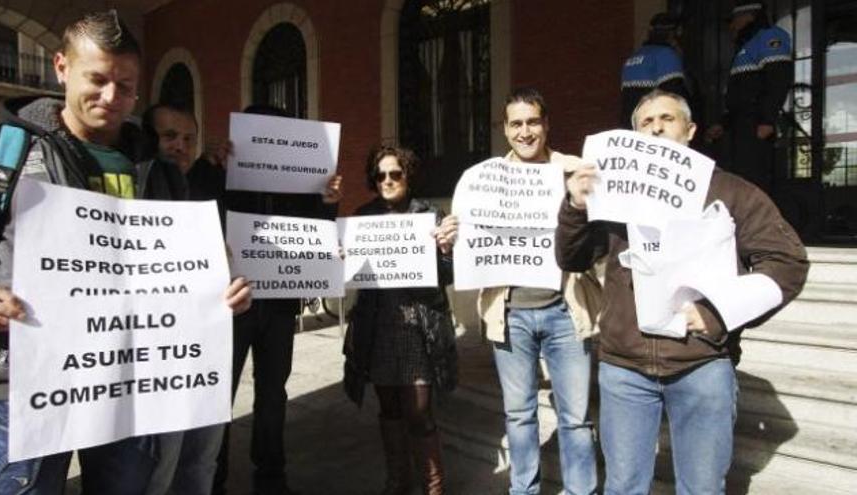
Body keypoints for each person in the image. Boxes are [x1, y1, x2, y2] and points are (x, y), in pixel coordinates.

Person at [0, 11, 251, 495]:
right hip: (35, 384)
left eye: (125, 86)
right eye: (97, 79)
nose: (111, 97)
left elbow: (186, 267)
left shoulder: (160, 169)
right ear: (61, 67)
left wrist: (219, 291)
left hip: (134, 388)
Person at [558, 89, 809, 494]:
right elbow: (571, 259)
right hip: (624, 369)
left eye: (667, 119)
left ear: (690, 130)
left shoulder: (733, 192)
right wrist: (575, 206)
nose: (656, 127)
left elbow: (788, 264)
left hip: (701, 364)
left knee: (702, 489)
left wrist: (718, 313)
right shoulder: (613, 194)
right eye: (645, 122)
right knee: (622, 487)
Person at [435, 87, 601, 495]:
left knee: (576, 417)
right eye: (516, 124)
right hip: (509, 315)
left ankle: (581, 490)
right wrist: (448, 240)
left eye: (532, 122)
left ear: (546, 125)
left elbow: (598, 239)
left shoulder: (573, 171)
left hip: (566, 311)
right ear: (505, 130)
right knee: (519, 414)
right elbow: (463, 250)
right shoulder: (483, 181)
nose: (524, 131)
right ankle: (523, 490)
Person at [211, 104, 343, 495]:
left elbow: (316, 231)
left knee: (273, 394)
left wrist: (329, 201)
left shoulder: (300, 186)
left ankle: (271, 476)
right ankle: (212, 477)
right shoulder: (226, 176)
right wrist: (212, 167)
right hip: (233, 305)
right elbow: (201, 210)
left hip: (281, 305)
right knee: (221, 395)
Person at [343, 145, 457, 495]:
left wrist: (445, 250)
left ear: (407, 175)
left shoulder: (429, 215)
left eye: (395, 173)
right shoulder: (360, 219)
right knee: (389, 410)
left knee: (419, 411)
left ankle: (433, 487)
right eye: (381, 175)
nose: (388, 180)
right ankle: (397, 482)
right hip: (377, 326)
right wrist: (341, 256)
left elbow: (447, 275)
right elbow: (349, 273)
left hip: (417, 326)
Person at [140, 102, 231, 495]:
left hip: (207, 348)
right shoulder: (133, 187)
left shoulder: (209, 183)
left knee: (201, 460)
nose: (180, 145)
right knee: (159, 466)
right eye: (169, 136)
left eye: (188, 138)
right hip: (156, 356)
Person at [706, 0, 793, 193]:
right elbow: (741, 95)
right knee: (740, 181)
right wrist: (724, 123)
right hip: (740, 126)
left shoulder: (770, 37)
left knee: (754, 183)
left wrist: (767, 120)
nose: (731, 26)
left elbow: (778, 79)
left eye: (734, 20)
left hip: (756, 125)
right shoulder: (746, 47)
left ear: (748, 16)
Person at [620, 13, 690, 128]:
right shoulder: (666, 55)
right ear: (673, 34)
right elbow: (675, 97)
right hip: (656, 129)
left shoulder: (633, 57)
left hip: (633, 127)